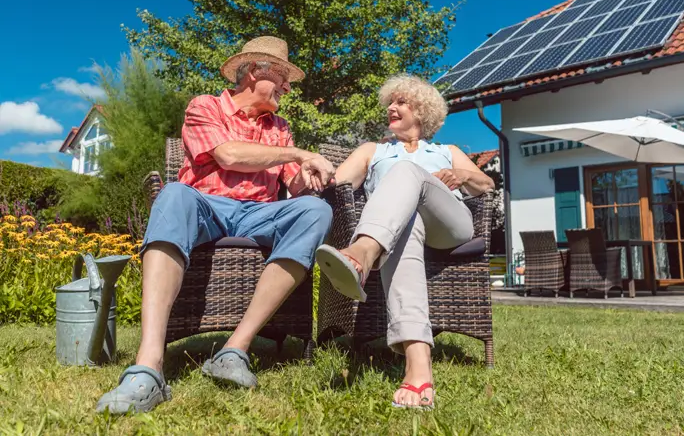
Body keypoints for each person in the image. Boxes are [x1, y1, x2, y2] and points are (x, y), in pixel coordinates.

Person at [97, 37, 335, 414]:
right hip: (205, 206)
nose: (288, 88)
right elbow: (228, 155)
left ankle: (234, 349)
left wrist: (313, 173)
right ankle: (148, 365)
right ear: (255, 71)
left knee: (315, 211)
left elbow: (293, 185)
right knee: (173, 193)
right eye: (283, 78)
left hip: (259, 213)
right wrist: (298, 152)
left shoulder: (280, 127)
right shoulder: (205, 106)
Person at [315, 73, 494, 410]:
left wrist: (463, 176)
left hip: (449, 227)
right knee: (407, 226)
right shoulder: (372, 150)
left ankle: (363, 254)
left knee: (407, 172)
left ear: (422, 111)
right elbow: (338, 184)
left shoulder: (447, 151)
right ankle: (418, 365)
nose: (391, 108)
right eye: (390, 103)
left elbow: (485, 185)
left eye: (401, 102)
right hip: (398, 232)